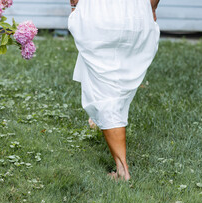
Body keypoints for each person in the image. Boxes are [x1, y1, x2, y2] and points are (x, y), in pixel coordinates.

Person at [68, 0, 160, 180]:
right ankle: (98, 119)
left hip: (99, 13)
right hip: (135, 14)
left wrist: (74, 5)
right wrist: (152, 7)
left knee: (102, 88)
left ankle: (122, 170)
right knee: (119, 77)